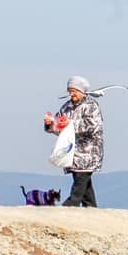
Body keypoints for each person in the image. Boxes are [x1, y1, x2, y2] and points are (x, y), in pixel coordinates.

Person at [43, 75, 105, 207]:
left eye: (74, 91)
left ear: (81, 91)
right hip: (71, 151)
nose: (71, 94)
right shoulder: (66, 107)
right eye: (69, 91)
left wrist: (70, 124)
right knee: (84, 183)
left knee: (80, 181)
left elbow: (93, 127)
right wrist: (50, 123)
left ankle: (69, 206)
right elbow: (59, 127)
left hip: (89, 152)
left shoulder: (91, 106)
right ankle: (92, 209)